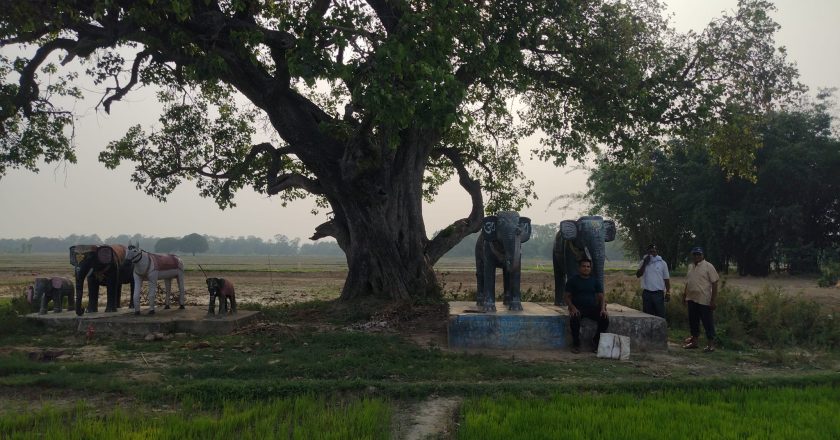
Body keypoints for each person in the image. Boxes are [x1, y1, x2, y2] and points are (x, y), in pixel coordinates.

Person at [564, 258, 609, 353]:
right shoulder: (572, 281)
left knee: (604, 318)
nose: (586, 268)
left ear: (590, 268)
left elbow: (601, 297)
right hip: (578, 308)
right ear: (579, 268)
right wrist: (572, 308)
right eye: (584, 266)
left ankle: (596, 341)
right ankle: (576, 344)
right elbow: (567, 297)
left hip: (592, 308)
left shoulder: (595, 281)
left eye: (588, 266)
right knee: (574, 318)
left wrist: (603, 309)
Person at [682, 247, 720, 352]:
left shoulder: (708, 266)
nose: (696, 256)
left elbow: (715, 283)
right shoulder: (690, 266)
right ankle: (694, 342)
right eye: (695, 254)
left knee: (707, 322)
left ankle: (711, 345)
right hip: (691, 298)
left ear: (703, 255)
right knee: (693, 321)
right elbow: (688, 282)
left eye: (699, 254)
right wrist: (684, 295)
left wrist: (713, 300)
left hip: (704, 299)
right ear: (692, 255)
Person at [635, 244, 671, 319]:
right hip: (647, 293)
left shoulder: (662, 263)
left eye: (654, 252)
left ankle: (660, 327)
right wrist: (645, 263)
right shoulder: (643, 262)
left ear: (657, 252)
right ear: (648, 252)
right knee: (647, 316)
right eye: (651, 252)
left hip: (658, 294)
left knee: (660, 315)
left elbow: (666, 279)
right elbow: (638, 275)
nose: (653, 254)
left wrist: (668, 292)